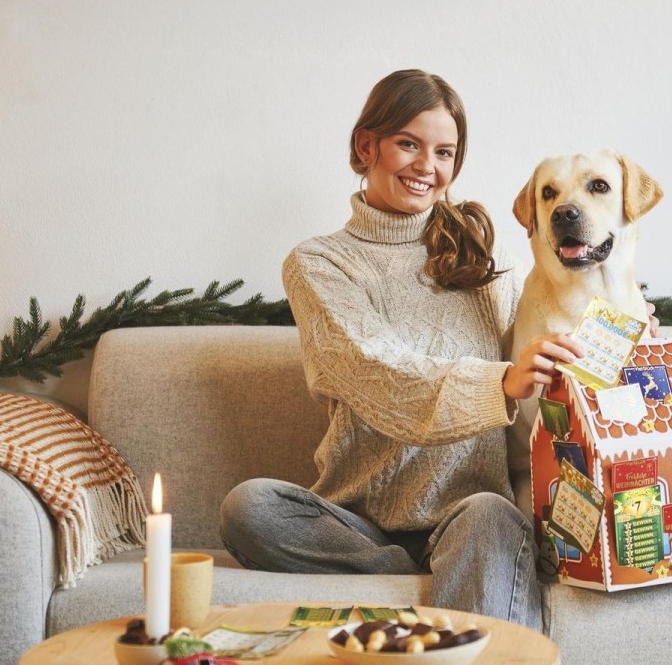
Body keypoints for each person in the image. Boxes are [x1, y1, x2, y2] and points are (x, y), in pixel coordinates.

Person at [218, 69, 594, 631]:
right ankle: (427, 571)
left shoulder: (488, 265)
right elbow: (379, 374)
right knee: (249, 508)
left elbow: (555, 341)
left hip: (469, 513)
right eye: (408, 144)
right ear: (366, 146)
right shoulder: (320, 263)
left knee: (492, 514)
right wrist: (499, 383)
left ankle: (457, 571)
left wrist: (624, 327)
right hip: (357, 525)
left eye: (444, 152)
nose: (426, 166)